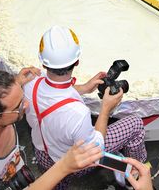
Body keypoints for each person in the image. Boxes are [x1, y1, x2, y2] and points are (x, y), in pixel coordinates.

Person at [24, 26, 147, 190]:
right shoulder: (78, 113)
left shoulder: (30, 82)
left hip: (43, 156)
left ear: (44, 62)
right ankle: (134, 176)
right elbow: (95, 150)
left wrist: (84, 88)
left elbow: (52, 93)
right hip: (74, 164)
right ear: (77, 61)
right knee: (135, 124)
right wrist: (106, 110)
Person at [0, 70, 103, 189]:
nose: (26, 105)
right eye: (18, 105)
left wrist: (16, 83)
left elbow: (5, 99)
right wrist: (64, 166)